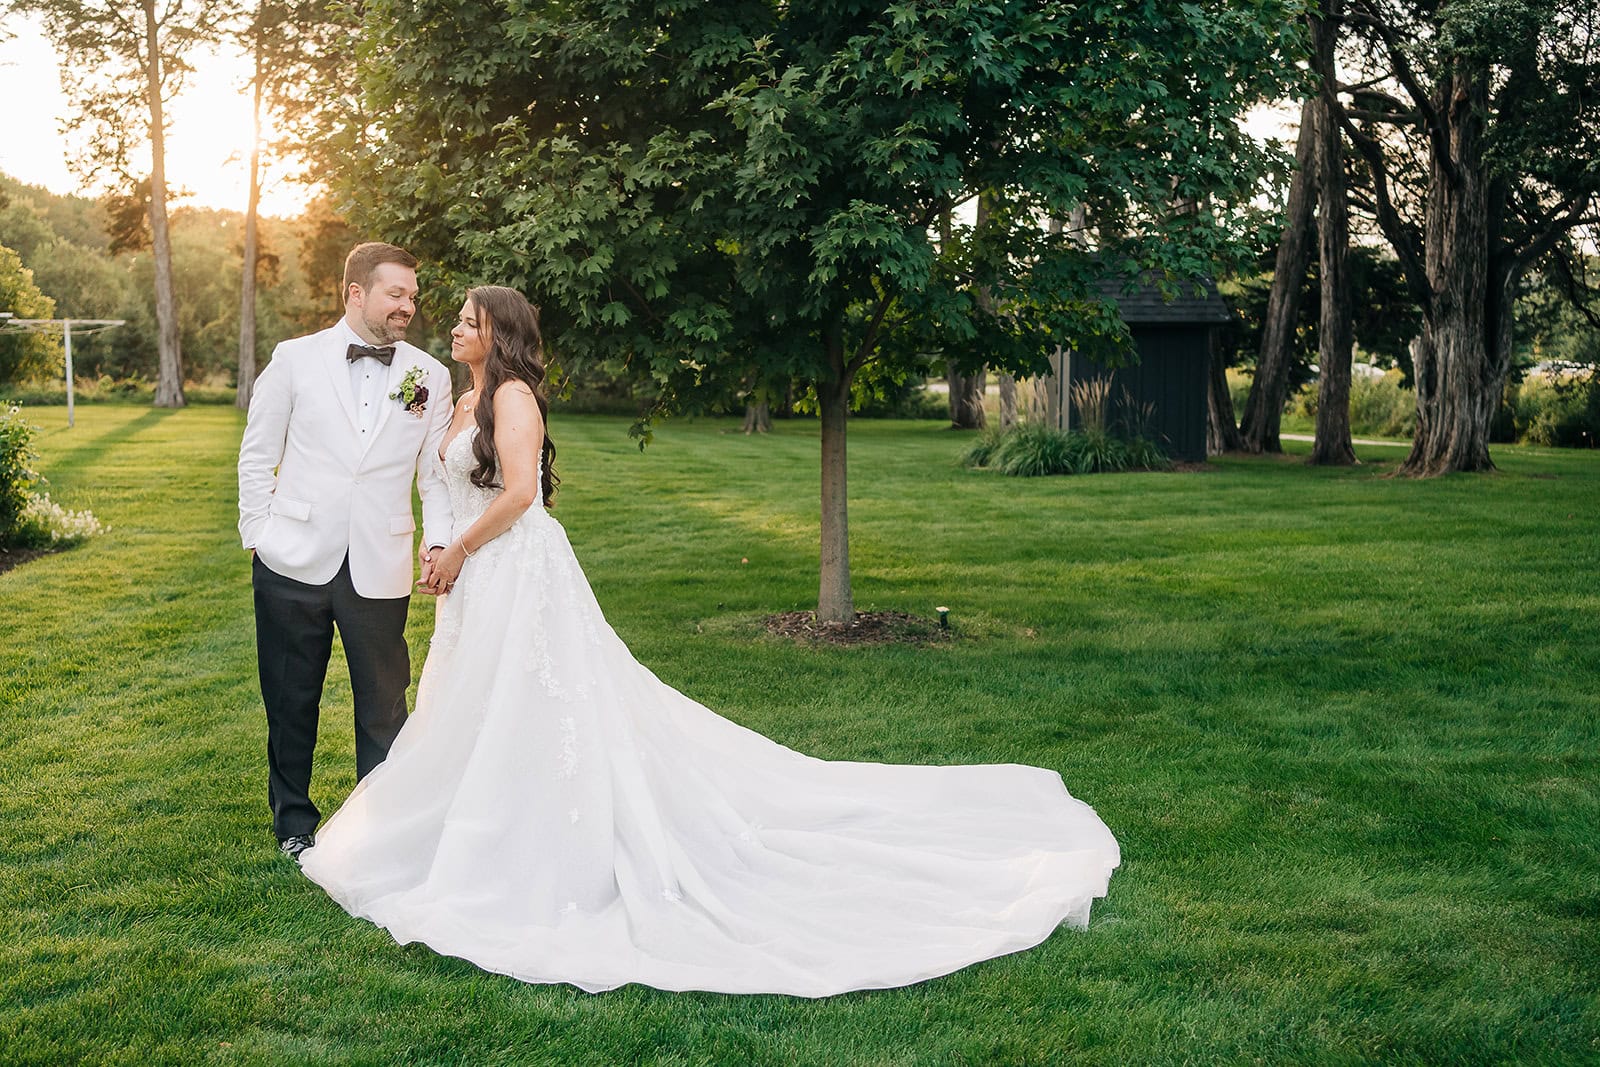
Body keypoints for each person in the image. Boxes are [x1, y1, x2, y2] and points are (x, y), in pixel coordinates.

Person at [298, 286, 1120, 997]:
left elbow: (520, 494)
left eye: (470, 321)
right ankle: (475, 830)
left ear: (499, 334)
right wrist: (441, 550)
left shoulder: (512, 399)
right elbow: (444, 480)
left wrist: (466, 549)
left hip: (518, 568)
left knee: (539, 699)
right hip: (477, 580)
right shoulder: (461, 400)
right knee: (478, 706)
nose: (454, 328)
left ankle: (551, 850)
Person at [237, 242, 455, 860]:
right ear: (355, 292)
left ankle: (381, 827)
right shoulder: (294, 359)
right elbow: (257, 455)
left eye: (413, 296)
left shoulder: (428, 375)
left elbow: (432, 477)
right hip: (291, 559)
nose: (408, 306)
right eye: (397, 294)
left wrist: (437, 541)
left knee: (385, 706)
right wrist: (260, 535)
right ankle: (293, 825)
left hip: (378, 564)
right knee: (290, 700)